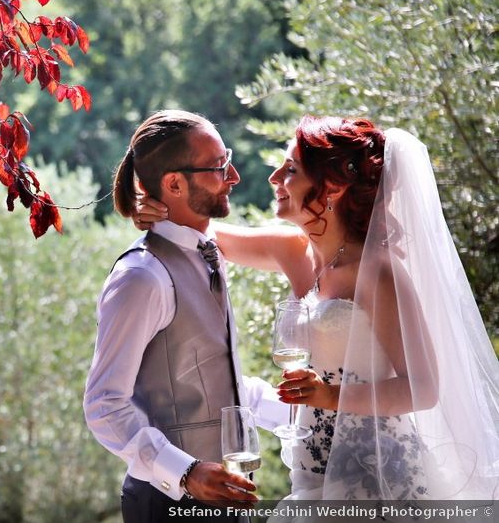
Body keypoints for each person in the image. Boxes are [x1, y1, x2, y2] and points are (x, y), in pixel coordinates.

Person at [133, 115, 499, 499]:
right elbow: (201, 235)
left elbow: (423, 389)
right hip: (311, 473)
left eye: (289, 169)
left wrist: (329, 395)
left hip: (376, 479)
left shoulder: (377, 274)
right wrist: (156, 209)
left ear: (333, 187)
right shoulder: (294, 252)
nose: (274, 178)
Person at [84, 110, 288, 523]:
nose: (233, 176)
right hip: (171, 507)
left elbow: (210, 380)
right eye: (217, 167)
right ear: (174, 183)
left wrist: (305, 418)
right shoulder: (142, 276)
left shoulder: (206, 253)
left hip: (226, 497)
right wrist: (187, 472)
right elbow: (104, 405)